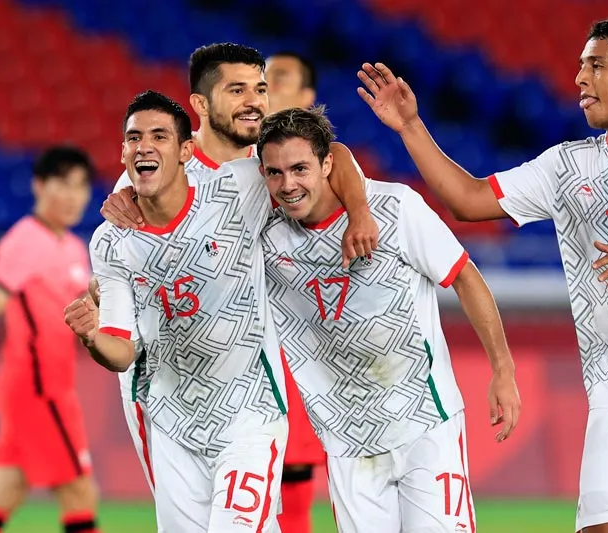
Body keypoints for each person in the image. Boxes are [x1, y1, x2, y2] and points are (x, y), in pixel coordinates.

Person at [360, 17, 608, 533]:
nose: (579, 79)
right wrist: (410, 126)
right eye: (580, 66)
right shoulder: (565, 166)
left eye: (595, 65)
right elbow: (468, 200)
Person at [97, 43, 378, 499]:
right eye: (238, 90)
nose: (255, 101)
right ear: (202, 105)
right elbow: (112, 267)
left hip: (249, 369)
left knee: (260, 506)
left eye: (261, 88)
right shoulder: (151, 176)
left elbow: (335, 154)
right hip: (169, 382)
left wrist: (360, 211)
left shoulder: (265, 164)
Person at [255, 106, 521, 532]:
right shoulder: (264, 236)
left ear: (326, 164)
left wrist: (503, 370)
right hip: (346, 441)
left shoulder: (395, 208)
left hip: (424, 423)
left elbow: (465, 277)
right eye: (274, 173)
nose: (288, 185)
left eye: (300, 168)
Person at [66, 90, 290, 533]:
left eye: (159, 136)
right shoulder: (111, 242)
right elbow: (122, 349)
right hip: (172, 422)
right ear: (123, 151)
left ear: (187, 149)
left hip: (248, 410)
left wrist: (358, 211)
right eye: (133, 138)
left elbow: (318, 156)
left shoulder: (236, 189)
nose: (143, 146)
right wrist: (92, 337)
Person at [0, 147, 100, 533]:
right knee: (79, 491)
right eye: (63, 184)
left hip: (57, 383)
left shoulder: (74, 248)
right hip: (37, 387)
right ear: (39, 186)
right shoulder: (24, 240)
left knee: (10, 484)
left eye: (81, 186)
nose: (73, 196)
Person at [264, 50, 325, 533]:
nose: (265, 84)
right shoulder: (233, 156)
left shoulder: (326, 166)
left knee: (294, 468)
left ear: (307, 99)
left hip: (299, 329)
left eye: (279, 78)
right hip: (237, 329)